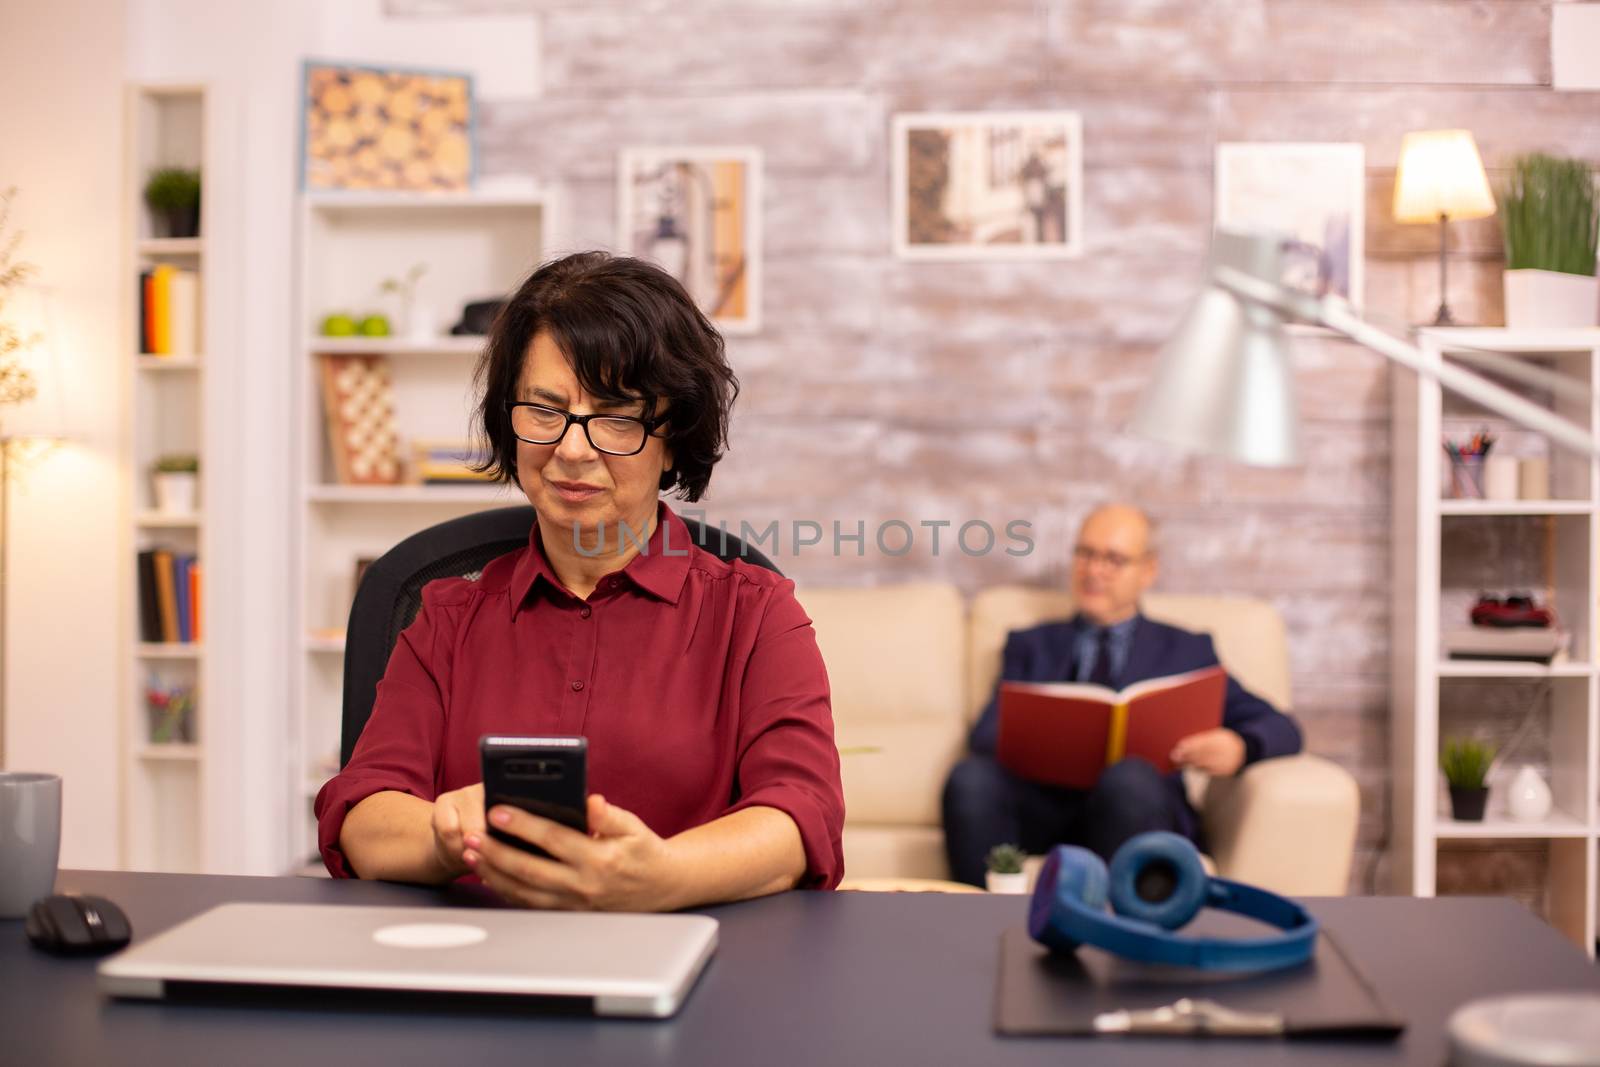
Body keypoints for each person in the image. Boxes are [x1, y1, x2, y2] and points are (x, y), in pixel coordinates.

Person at [316, 252, 845, 909]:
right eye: (545, 410)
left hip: (695, 969)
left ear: (673, 436)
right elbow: (362, 812)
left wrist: (661, 876)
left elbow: (802, 816)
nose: (572, 448)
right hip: (476, 975)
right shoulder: (447, 615)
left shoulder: (757, 614)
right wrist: (444, 835)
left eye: (618, 417)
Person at [941, 503, 1301, 887]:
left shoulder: (1186, 650)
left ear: (1148, 570)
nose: (1094, 571)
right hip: (1042, 813)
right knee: (970, 777)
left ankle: (1120, 930)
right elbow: (984, 736)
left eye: (1113, 559)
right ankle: (977, 921)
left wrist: (1240, 746)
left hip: (1133, 810)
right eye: (1086, 554)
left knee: (1129, 778)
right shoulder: (1032, 644)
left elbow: (1282, 727)